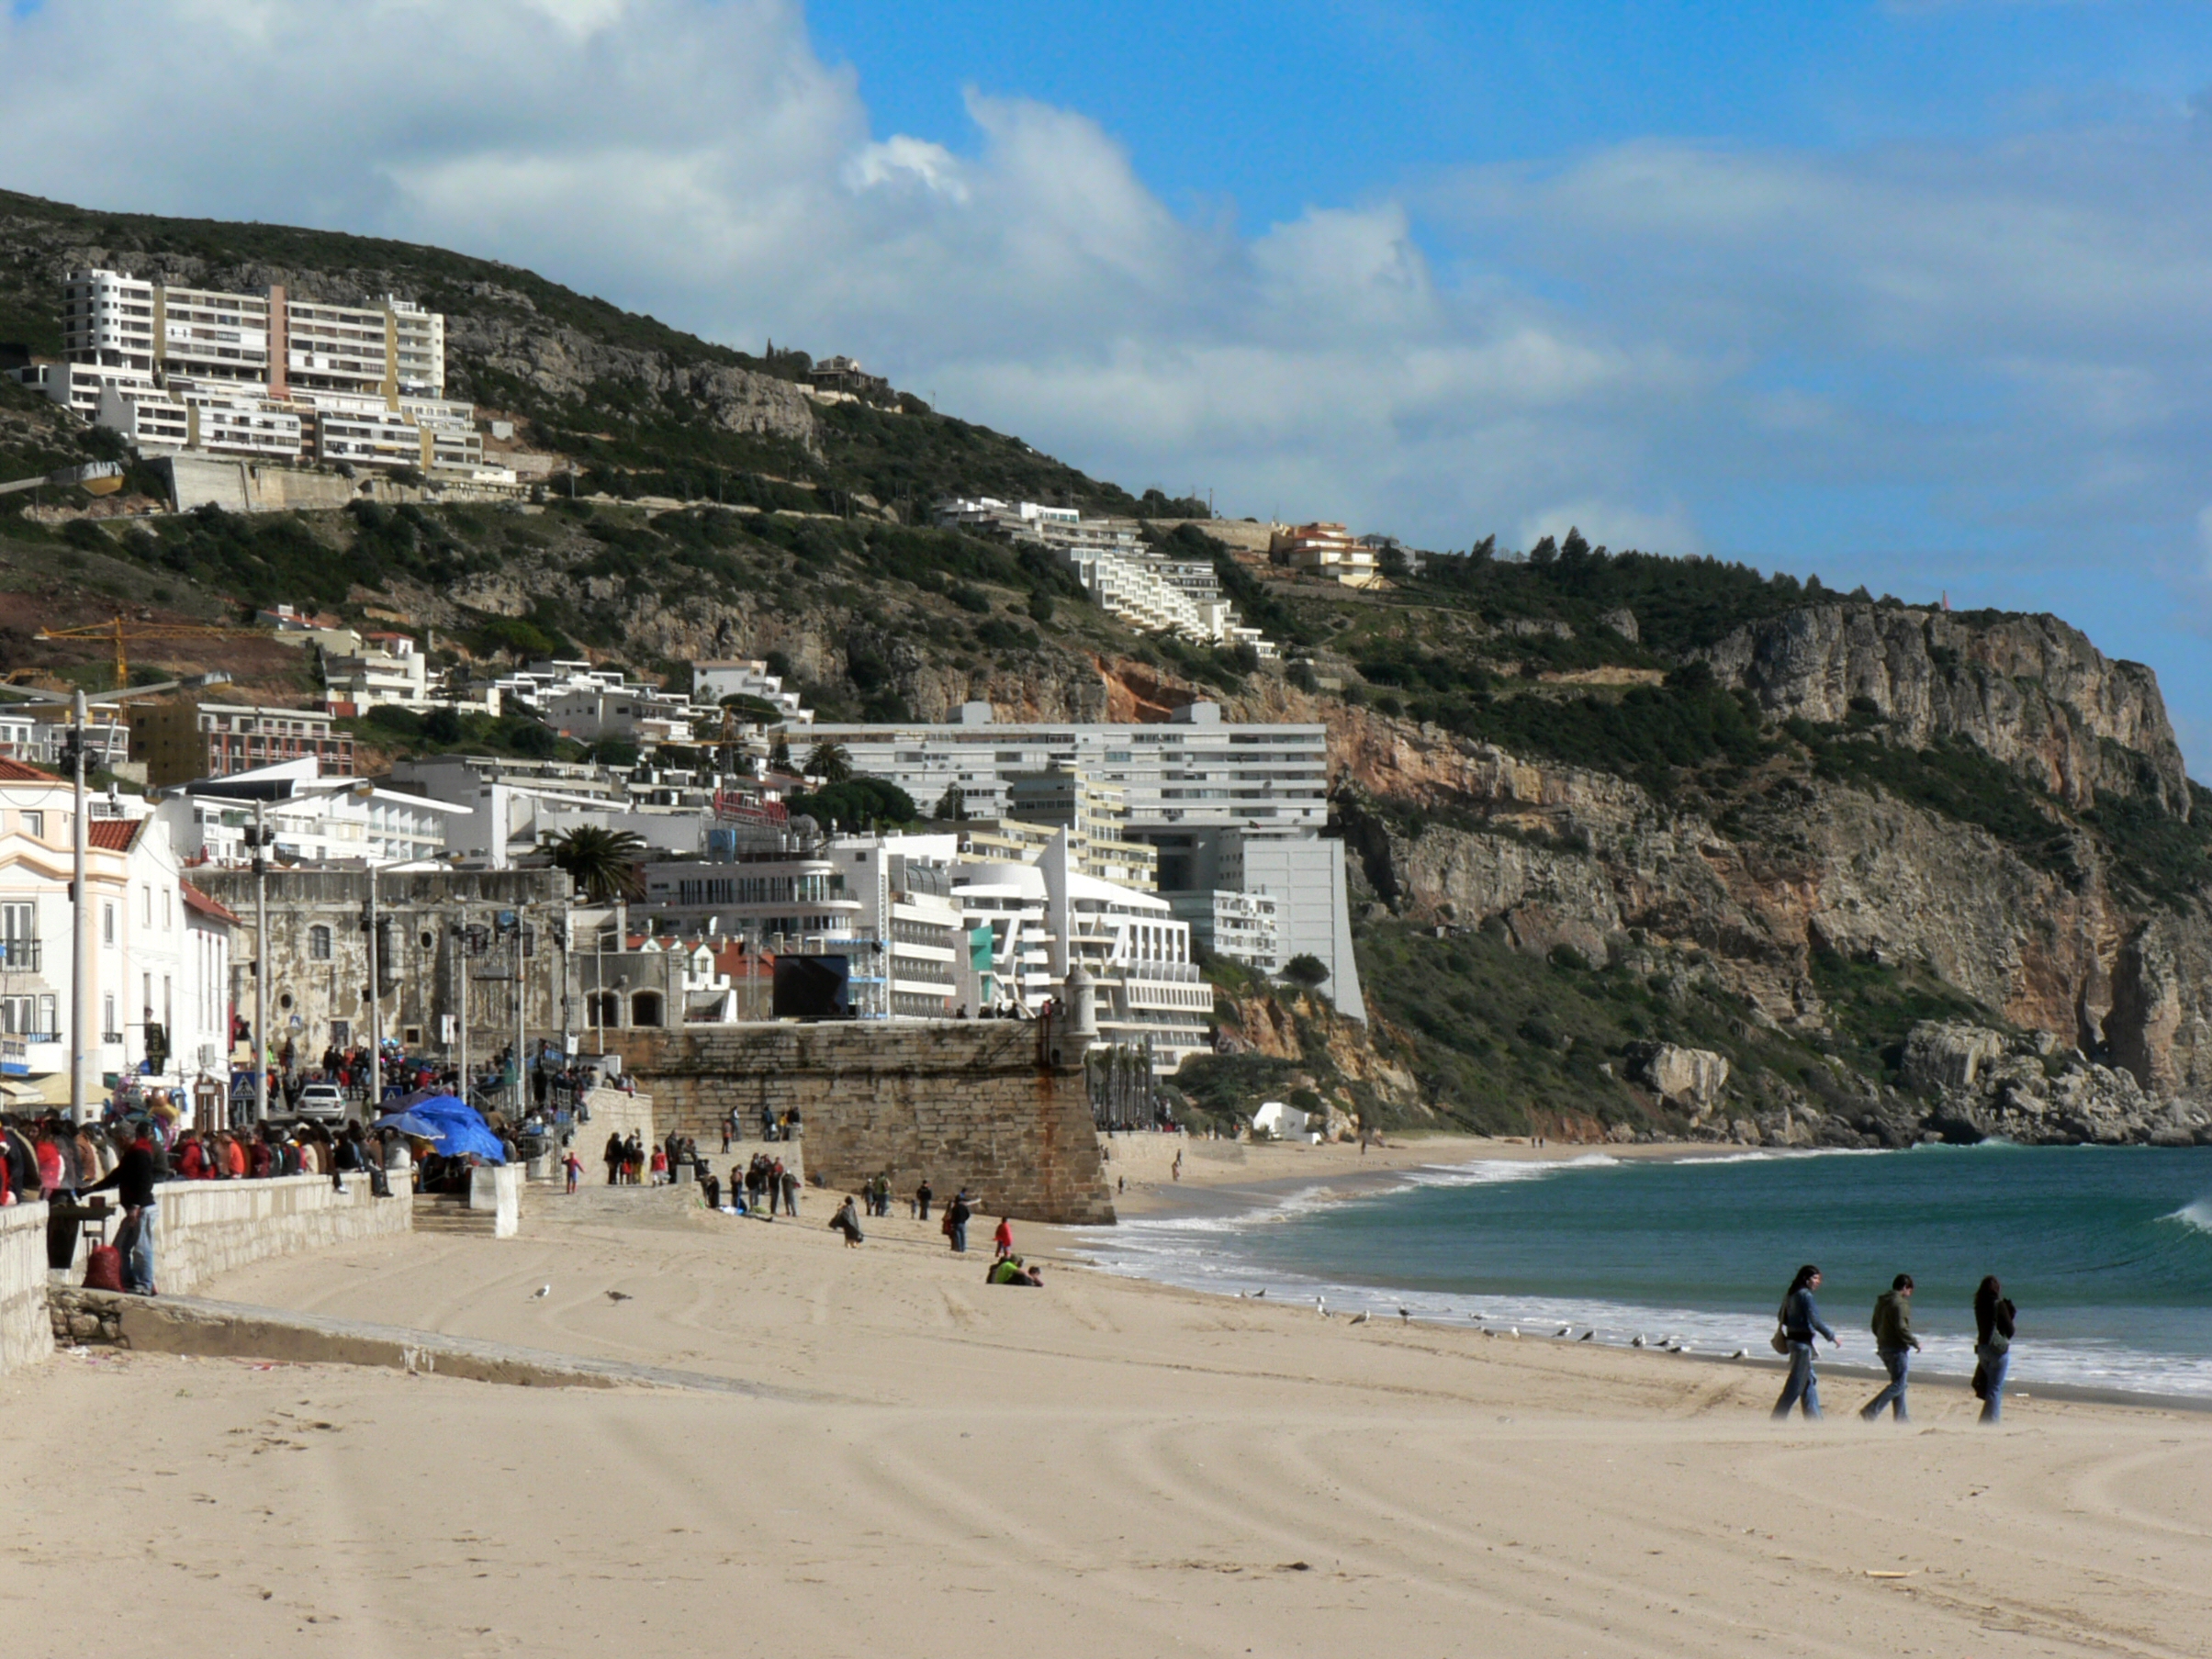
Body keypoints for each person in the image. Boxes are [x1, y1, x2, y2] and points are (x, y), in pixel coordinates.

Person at [87, 1122, 159, 1295]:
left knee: (142, 1248)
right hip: (135, 1209)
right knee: (120, 1247)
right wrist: (89, 1189)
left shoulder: (140, 1153)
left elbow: (145, 1183)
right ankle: (127, 1280)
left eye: (117, 1140)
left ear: (124, 1138)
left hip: (142, 1209)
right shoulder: (132, 1154)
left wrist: (135, 1206)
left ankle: (144, 1284)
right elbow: (116, 1177)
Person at [1772, 1263, 1838, 1419]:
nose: (1818, 1282)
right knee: (1795, 1386)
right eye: (1815, 1278)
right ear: (1806, 1279)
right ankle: (1777, 1418)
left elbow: (1781, 1316)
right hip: (1802, 1345)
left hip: (1793, 1341)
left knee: (1809, 1382)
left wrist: (1795, 1321)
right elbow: (1816, 1321)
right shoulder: (1805, 1296)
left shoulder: (1791, 1294)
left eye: (1819, 1279)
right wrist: (1832, 1337)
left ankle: (1814, 1420)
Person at [1859, 1273, 1922, 1423]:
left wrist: (1883, 1339)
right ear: (1905, 1287)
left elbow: (1875, 1326)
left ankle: (1901, 1419)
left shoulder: (1882, 1302)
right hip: (1896, 1348)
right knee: (1900, 1384)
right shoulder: (1900, 1303)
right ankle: (1871, 1410)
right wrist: (1914, 1342)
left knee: (1898, 1383)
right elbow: (1902, 1327)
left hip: (1883, 1347)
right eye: (1910, 1290)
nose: (1910, 1294)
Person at [1973, 1275, 2016, 1424]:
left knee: (1991, 1388)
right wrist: (2010, 1315)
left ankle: (1985, 1421)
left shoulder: (1979, 1305)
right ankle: (1991, 1423)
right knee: (1995, 1389)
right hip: (1996, 1350)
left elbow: (1987, 1325)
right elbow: (2010, 1331)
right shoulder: (1999, 1304)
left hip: (1982, 1348)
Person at [946, 1190, 972, 1254]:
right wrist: (964, 1219)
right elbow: (968, 1215)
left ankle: (959, 1248)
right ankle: (963, 1248)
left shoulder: (955, 1208)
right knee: (963, 1236)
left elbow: (953, 1216)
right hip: (962, 1223)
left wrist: (952, 1223)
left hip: (956, 1223)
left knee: (957, 1236)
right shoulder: (964, 1207)